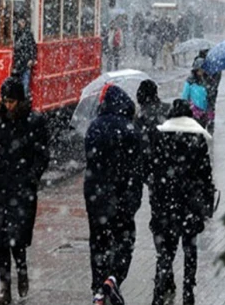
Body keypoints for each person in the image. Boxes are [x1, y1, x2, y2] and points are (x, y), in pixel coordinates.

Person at [0, 77, 49, 305]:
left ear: (19, 101)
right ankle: (5, 289)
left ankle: (21, 271)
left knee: (17, 240)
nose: (8, 104)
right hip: (0, 188)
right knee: (0, 240)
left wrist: (31, 177)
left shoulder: (33, 122)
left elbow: (41, 155)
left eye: (11, 101)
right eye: (5, 100)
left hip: (21, 189)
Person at [147, 99, 215, 305]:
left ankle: (161, 287)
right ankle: (188, 288)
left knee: (166, 250)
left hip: (166, 204)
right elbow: (205, 175)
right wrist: (206, 202)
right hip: (190, 205)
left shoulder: (160, 137)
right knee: (189, 248)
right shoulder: (197, 138)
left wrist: (156, 198)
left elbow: (152, 171)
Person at [84, 84, 142, 305]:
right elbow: (137, 169)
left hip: (96, 198)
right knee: (124, 241)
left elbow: (90, 161)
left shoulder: (94, 127)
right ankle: (113, 278)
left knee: (98, 243)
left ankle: (98, 288)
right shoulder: (130, 129)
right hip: (122, 197)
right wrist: (133, 200)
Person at [135, 79, 171, 177]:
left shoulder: (140, 115)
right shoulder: (168, 109)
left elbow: (142, 142)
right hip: (170, 159)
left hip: (153, 164)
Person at [194, 49, 221, 134]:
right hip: (206, 92)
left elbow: (216, 79)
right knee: (208, 109)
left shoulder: (213, 65)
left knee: (207, 109)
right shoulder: (210, 64)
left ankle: (208, 126)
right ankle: (207, 126)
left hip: (208, 92)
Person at [181, 59, 212, 129]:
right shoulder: (190, 81)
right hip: (194, 110)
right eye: (201, 69)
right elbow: (184, 96)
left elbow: (208, 95)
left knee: (203, 129)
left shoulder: (206, 79)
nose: (202, 71)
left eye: (203, 69)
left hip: (204, 110)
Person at [12, 15, 37, 97]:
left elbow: (33, 47)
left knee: (25, 83)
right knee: (20, 84)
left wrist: (31, 59)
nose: (20, 24)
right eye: (19, 22)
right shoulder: (17, 34)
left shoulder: (28, 34)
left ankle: (23, 101)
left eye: (22, 22)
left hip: (25, 63)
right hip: (19, 63)